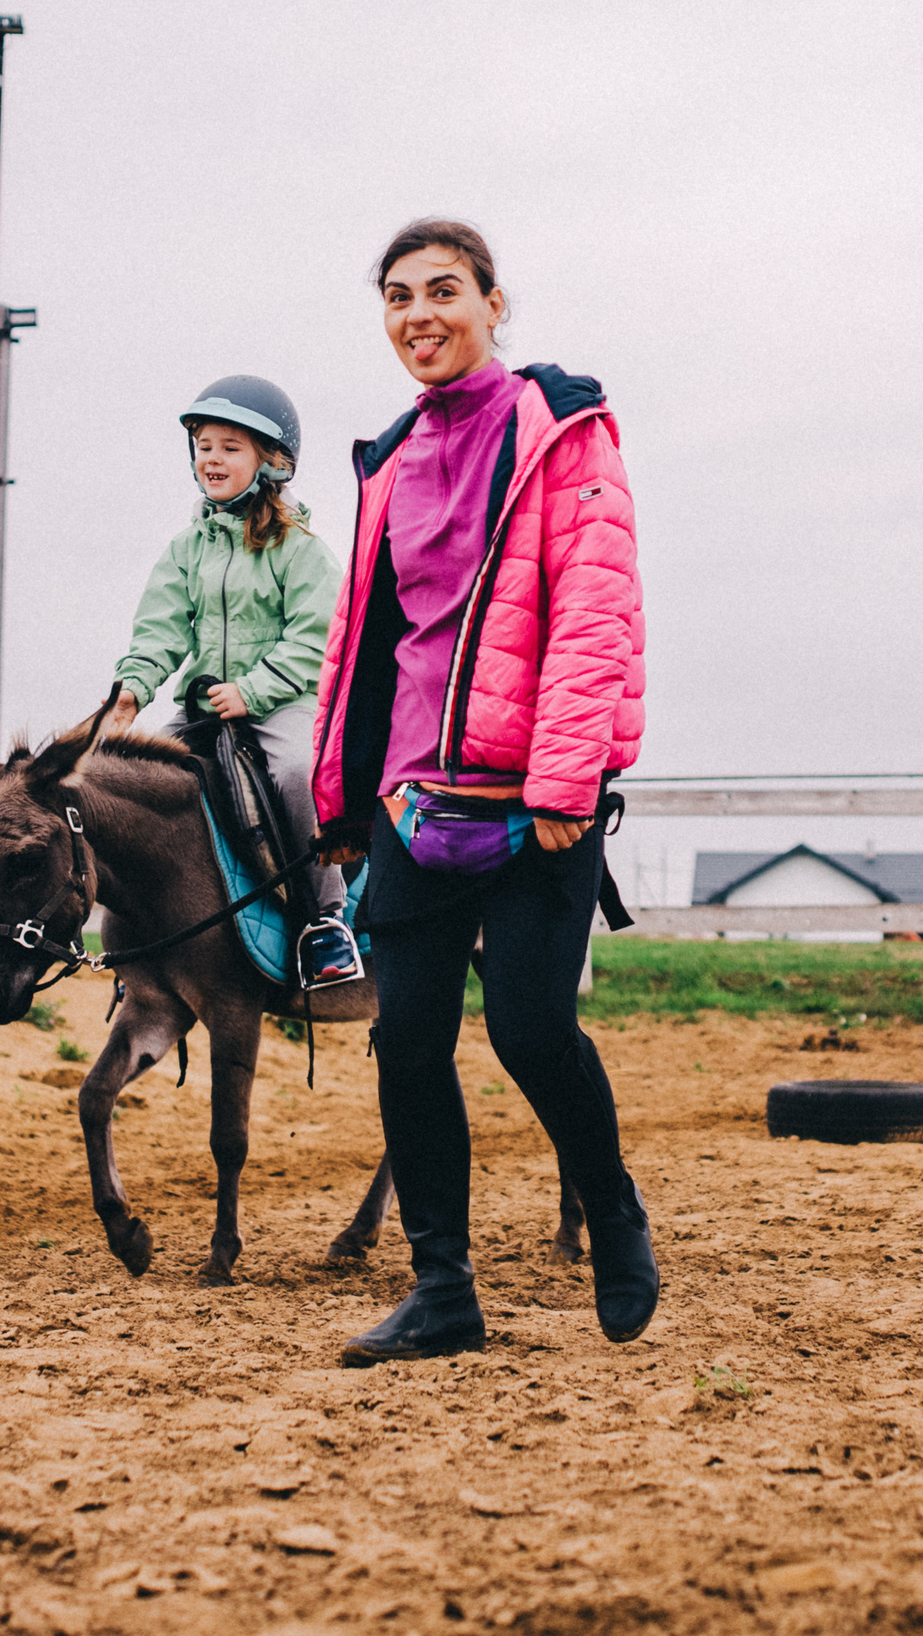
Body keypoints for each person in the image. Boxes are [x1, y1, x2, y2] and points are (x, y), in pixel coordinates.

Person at [311, 218, 657, 1363]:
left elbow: (594, 609)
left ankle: (610, 1208)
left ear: (494, 304)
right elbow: (366, 638)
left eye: (444, 290)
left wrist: (566, 779)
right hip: (415, 801)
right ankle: (442, 1289)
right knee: (406, 1041)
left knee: (528, 1026)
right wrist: (343, 799)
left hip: (533, 800)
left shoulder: (561, 434)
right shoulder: (388, 458)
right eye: (399, 297)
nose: (421, 315)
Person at [106, 375, 361, 988]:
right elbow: (159, 630)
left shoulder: (301, 550)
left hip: (285, 704)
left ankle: (325, 922)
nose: (212, 459)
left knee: (300, 775)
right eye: (203, 446)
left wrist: (254, 690)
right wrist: (131, 693)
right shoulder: (186, 549)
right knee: (130, 782)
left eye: (230, 447)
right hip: (204, 707)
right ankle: (143, 925)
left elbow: (316, 638)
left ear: (270, 462)